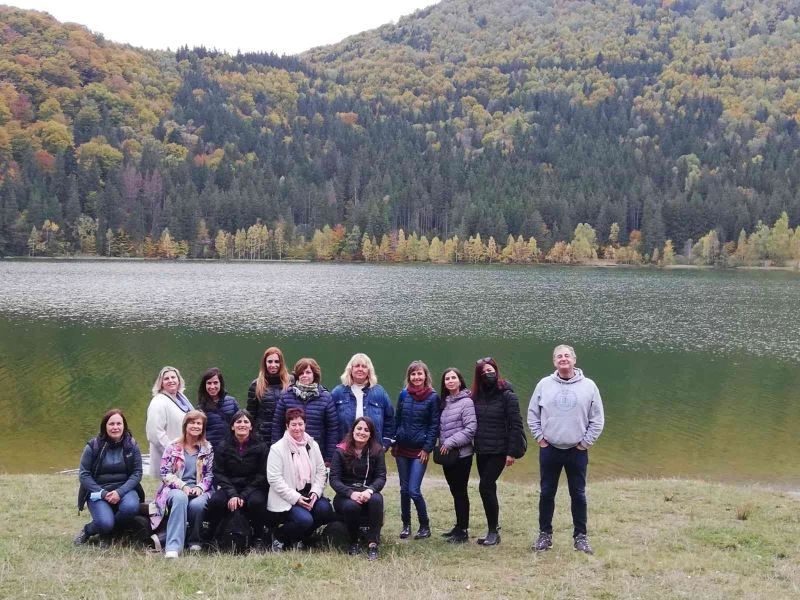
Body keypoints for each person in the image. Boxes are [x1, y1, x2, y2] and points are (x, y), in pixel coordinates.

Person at [528, 344, 605, 555]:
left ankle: (580, 537)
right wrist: (540, 439)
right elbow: (533, 414)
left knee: (578, 494)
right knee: (546, 493)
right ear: (554, 362)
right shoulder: (544, 384)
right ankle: (545, 536)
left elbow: (597, 419)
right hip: (550, 448)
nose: (563, 359)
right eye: (559, 357)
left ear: (574, 359)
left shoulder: (589, 386)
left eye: (567, 356)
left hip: (577, 450)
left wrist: (585, 444)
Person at [470, 357, 526, 546]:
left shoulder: (507, 395)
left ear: (496, 369)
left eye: (490, 369)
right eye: (484, 371)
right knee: (489, 488)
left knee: (484, 486)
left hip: (500, 450)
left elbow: (516, 425)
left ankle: (493, 532)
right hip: (482, 449)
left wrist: (512, 452)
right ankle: (493, 527)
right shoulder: (475, 396)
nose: (488, 373)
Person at [267, 408, 334, 550]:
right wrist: (297, 498)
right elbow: (274, 479)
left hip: (309, 494)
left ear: (305, 425)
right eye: (293, 424)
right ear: (287, 426)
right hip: (288, 498)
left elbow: (321, 472)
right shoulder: (277, 448)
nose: (297, 428)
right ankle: (279, 537)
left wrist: (315, 492)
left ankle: (299, 538)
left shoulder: (312, 445)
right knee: (305, 520)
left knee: (326, 511)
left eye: (300, 424)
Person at [75, 409, 145, 544]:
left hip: (125, 490)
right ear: (104, 426)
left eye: (119, 423)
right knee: (105, 523)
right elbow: (84, 475)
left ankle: (109, 534)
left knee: (131, 507)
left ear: (124, 426)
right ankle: (89, 530)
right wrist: (102, 493)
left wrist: (120, 492)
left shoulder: (132, 446)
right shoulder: (93, 446)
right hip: (98, 492)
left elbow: (137, 473)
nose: (115, 427)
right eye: (111, 424)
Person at [150, 410, 213, 558]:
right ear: (185, 425)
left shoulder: (207, 449)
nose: (195, 426)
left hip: (199, 489)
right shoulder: (173, 447)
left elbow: (210, 474)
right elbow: (165, 473)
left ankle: (194, 540)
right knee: (180, 498)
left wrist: (199, 487)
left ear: (203, 428)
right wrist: (182, 486)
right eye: (192, 422)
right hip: (174, 489)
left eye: (199, 423)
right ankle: (173, 546)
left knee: (197, 505)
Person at [206, 409, 269, 548]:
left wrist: (244, 495)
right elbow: (218, 472)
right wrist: (233, 494)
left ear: (251, 426)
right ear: (232, 426)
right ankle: (213, 536)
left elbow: (262, 474)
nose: (242, 424)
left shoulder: (261, 446)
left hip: (252, 487)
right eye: (238, 421)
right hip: (230, 487)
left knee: (257, 502)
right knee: (216, 501)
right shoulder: (223, 445)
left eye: (246, 421)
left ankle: (259, 537)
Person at [393, 360, 439, 540]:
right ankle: (406, 525)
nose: (417, 377)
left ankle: (425, 526)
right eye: (413, 374)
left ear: (426, 376)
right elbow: (397, 419)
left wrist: (427, 448)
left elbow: (434, 425)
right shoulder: (403, 395)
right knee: (403, 490)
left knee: (414, 490)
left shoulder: (433, 397)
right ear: (409, 377)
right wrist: (395, 441)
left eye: (420, 374)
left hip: (420, 451)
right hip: (402, 449)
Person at [329, 416, 386, 560]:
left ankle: (373, 543)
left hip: (367, 490)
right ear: (353, 430)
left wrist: (370, 490)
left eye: (366, 430)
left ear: (371, 434)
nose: (362, 432)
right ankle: (353, 542)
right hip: (346, 494)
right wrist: (350, 493)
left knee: (377, 500)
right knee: (351, 507)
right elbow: (334, 479)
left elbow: (381, 477)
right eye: (359, 428)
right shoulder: (340, 451)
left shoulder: (377, 451)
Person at [437, 367, 477, 544]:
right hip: (448, 456)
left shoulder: (467, 402)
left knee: (460, 492)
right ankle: (458, 526)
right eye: (447, 379)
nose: (450, 381)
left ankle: (463, 531)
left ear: (460, 381)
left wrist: (449, 442)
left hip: (462, 455)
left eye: (453, 378)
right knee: (455, 491)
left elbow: (470, 429)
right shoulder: (445, 402)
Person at [272, 358, 338, 464]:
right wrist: (276, 452)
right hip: (290, 452)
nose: (304, 375)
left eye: (308, 372)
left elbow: (332, 429)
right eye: (301, 373)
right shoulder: (286, 396)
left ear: (314, 375)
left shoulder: (326, 397)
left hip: (316, 451)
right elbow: (277, 426)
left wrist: (329, 458)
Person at [332, 353, 395, 448]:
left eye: (364, 366)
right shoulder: (338, 392)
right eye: (357, 366)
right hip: (345, 450)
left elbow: (390, 419)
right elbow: (330, 422)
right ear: (350, 369)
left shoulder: (380, 392)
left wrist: (385, 443)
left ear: (369, 370)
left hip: (373, 450)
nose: (360, 369)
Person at [146, 366, 193, 478]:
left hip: (186, 454)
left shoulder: (182, 398)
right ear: (161, 383)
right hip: (169, 458)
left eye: (173, 377)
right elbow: (155, 434)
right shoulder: (158, 402)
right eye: (166, 378)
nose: (171, 380)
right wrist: (174, 454)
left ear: (179, 380)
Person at [246, 347, 291, 448]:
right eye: (270, 362)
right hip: (262, 437)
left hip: (285, 435)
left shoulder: (290, 382)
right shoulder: (256, 385)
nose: (273, 365)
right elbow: (250, 415)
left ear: (281, 363)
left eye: (276, 362)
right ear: (265, 363)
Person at [197, 367, 240, 450]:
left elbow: (240, 424)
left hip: (231, 449)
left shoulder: (232, 401)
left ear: (221, 383)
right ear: (204, 385)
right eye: (209, 383)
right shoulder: (200, 408)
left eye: (215, 382)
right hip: (211, 451)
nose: (212, 386)